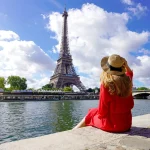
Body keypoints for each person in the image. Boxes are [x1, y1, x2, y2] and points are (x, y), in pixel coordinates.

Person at [73, 54, 134, 132]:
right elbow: (130, 74)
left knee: (91, 113)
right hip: (127, 123)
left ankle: (73, 131)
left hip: (111, 125)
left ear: (108, 68)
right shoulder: (128, 81)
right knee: (93, 111)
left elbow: (102, 111)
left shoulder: (106, 84)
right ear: (122, 67)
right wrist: (127, 65)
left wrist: (95, 113)